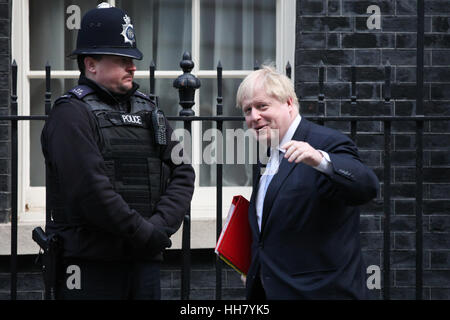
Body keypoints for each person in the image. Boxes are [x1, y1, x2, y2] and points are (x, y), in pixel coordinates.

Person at [41, 3, 195, 299]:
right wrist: (148, 234)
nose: (133, 67)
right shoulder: (71, 115)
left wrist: (158, 227)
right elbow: (91, 191)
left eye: (133, 59)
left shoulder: (149, 110)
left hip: (144, 264)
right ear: (91, 64)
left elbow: (183, 171)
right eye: (122, 59)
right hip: (90, 267)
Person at [236, 65, 379, 299]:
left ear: (289, 103)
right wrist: (257, 267)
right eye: (247, 110)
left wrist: (320, 160)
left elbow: (367, 186)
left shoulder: (326, 143)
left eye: (262, 106)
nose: (254, 117)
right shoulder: (272, 154)